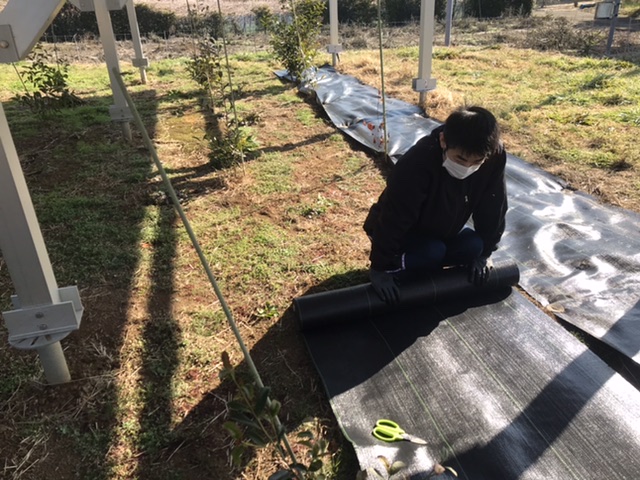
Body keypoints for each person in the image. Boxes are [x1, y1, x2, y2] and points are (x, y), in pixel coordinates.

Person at [363, 105, 508, 304]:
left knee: (474, 246)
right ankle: (397, 265)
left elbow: (494, 204)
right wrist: (379, 267)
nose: (467, 167)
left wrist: (485, 254)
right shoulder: (418, 162)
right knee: (432, 252)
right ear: (443, 141)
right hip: (404, 231)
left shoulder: (494, 156)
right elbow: (395, 216)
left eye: (476, 162)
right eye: (460, 159)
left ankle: (425, 264)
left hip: (442, 230)